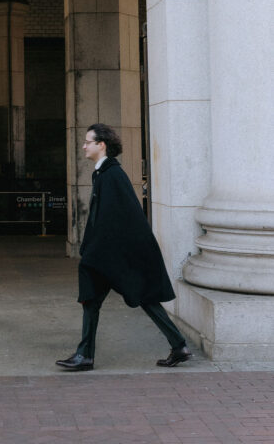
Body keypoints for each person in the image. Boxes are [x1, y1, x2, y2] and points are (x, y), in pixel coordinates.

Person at [56, 123, 191, 372]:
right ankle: (85, 354)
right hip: (111, 253)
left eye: (88, 141)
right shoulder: (103, 173)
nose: (84, 146)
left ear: (101, 145)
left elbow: (113, 219)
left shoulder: (112, 175)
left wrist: (92, 253)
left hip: (118, 254)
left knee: (143, 297)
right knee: (93, 300)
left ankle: (178, 345)